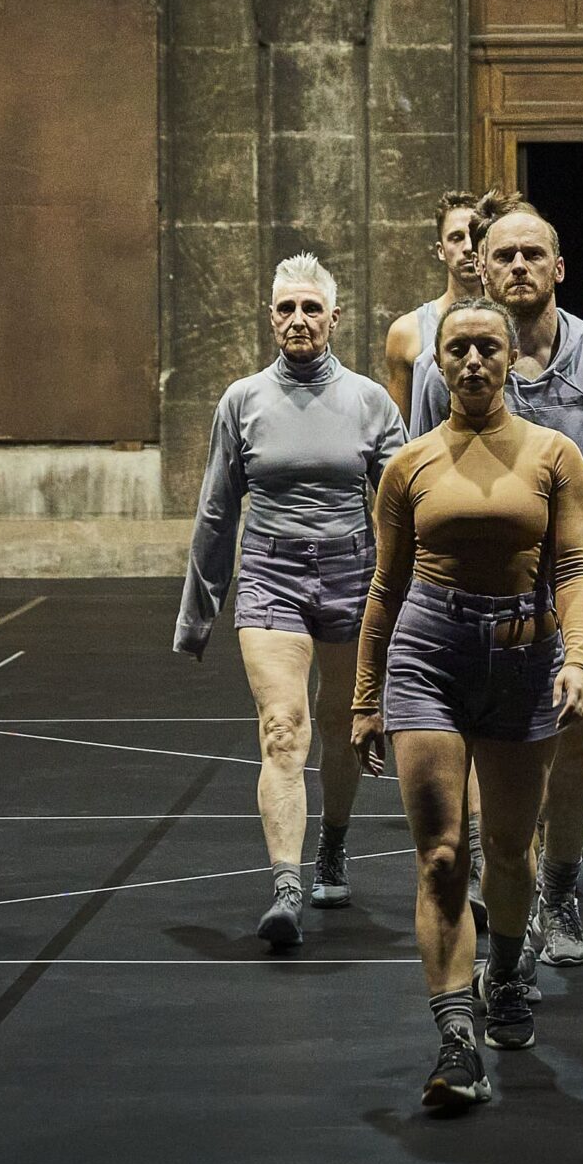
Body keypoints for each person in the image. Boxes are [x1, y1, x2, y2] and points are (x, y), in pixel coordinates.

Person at [410, 201, 583, 968]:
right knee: (482, 750)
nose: (520, 266)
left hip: (579, 592)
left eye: (534, 254)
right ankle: (499, 879)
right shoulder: (447, 368)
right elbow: (415, 480)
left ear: (560, 269)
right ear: (480, 269)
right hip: (475, 598)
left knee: (571, 749)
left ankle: (559, 893)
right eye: (505, 255)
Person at [351, 298, 583, 1111]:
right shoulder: (409, 465)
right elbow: (384, 587)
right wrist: (364, 698)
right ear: (438, 362)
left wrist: (578, 659)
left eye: (488, 348)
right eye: (457, 350)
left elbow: (574, 568)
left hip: (525, 660)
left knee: (510, 851)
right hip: (429, 658)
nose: (473, 362)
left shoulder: (554, 454)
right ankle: (455, 1039)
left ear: (511, 356)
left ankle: (510, 969)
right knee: (441, 856)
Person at [174, 254, 405, 949]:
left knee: (341, 726)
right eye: (286, 308)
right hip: (270, 577)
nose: (298, 319)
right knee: (283, 728)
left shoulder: (369, 401)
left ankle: (333, 842)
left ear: (335, 317)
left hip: (352, 576)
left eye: (311, 308)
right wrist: (197, 615)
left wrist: (411, 602)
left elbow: (404, 509)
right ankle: (285, 885)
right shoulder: (242, 400)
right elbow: (217, 511)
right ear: (270, 317)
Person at [383, 191, 486, 412]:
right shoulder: (407, 332)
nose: (468, 247)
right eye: (456, 237)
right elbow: (399, 427)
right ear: (441, 250)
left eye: (475, 235)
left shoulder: (510, 325)